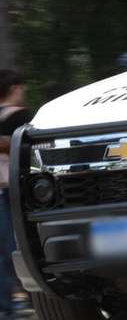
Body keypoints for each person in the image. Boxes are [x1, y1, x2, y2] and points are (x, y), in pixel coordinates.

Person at [0, 70, 32, 319]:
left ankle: (7, 303)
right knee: (19, 245)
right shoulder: (22, 117)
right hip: (15, 189)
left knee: (5, 249)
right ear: (15, 88)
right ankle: (32, 296)